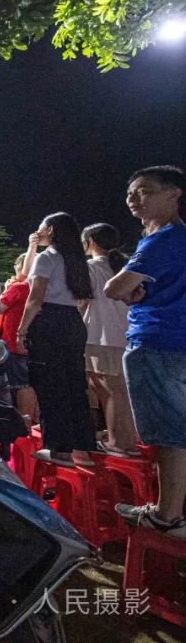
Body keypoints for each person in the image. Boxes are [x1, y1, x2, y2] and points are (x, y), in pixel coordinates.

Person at [106, 165, 186, 537]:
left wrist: (129, 291)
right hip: (175, 341)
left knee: (167, 435)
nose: (133, 199)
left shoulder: (164, 240)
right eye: (130, 193)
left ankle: (166, 515)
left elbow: (114, 288)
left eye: (144, 191)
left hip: (157, 342)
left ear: (174, 194)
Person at [15, 212, 96, 467]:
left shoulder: (48, 257)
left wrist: (22, 330)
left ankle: (59, 451)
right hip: (73, 321)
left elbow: (35, 297)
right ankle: (82, 448)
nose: (37, 231)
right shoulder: (77, 260)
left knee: (51, 386)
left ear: (50, 229)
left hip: (49, 321)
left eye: (41, 227)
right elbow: (83, 299)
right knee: (75, 386)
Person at [81, 222, 138, 457]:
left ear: (91, 241)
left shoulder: (90, 268)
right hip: (125, 335)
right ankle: (129, 439)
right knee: (121, 391)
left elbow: (81, 301)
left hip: (100, 336)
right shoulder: (124, 266)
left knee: (108, 391)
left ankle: (119, 442)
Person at [0, 252, 38, 421]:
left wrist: (7, 289)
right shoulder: (42, 287)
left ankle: (24, 424)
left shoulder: (19, 287)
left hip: (15, 343)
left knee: (22, 385)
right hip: (34, 343)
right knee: (33, 385)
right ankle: (35, 422)